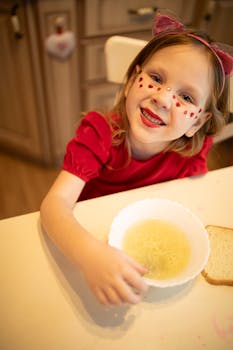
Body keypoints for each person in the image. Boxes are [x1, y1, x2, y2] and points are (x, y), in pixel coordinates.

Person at [40, 13, 233, 306]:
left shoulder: (194, 148)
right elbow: (53, 206)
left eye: (187, 97)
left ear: (197, 123)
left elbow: (191, 196)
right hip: (92, 239)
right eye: (156, 78)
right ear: (131, 81)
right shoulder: (99, 134)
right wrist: (89, 255)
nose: (164, 98)